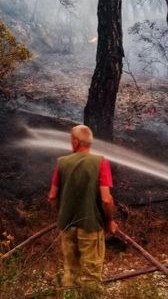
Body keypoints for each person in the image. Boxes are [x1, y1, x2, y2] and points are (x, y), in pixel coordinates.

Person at [47, 124, 118, 297]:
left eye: (71, 140)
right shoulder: (101, 162)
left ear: (77, 142)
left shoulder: (62, 163)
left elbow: (52, 196)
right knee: (91, 274)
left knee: (70, 271)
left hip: (67, 226)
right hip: (91, 227)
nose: (70, 143)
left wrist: (62, 214)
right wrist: (109, 221)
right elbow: (106, 199)